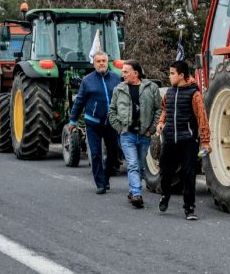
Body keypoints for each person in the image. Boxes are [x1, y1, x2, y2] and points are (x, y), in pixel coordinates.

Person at [156, 60, 211, 220]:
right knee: (165, 172)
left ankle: (189, 208)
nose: (169, 76)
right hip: (169, 140)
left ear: (181, 75)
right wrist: (161, 122)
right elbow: (165, 109)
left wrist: (206, 141)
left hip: (187, 141)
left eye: (172, 73)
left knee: (188, 174)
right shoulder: (169, 93)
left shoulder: (194, 94)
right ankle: (165, 196)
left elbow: (202, 118)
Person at [109, 60, 162, 208]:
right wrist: (119, 129)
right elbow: (112, 111)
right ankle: (137, 194)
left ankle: (133, 190)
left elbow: (158, 109)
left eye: (126, 72)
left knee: (138, 165)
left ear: (136, 73)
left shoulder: (151, 88)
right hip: (127, 135)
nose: (123, 74)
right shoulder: (119, 89)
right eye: (123, 72)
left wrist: (151, 129)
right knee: (132, 164)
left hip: (144, 135)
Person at [69, 51, 121, 194]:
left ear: (107, 61)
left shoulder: (116, 79)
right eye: (98, 61)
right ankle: (100, 184)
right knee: (96, 153)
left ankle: (106, 177)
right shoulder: (87, 80)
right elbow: (79, 101)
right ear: (94, 63)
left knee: (113, 155)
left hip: (111, 123)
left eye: (104, 60)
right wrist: (73, 120)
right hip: (93, 123)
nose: (102, 63)